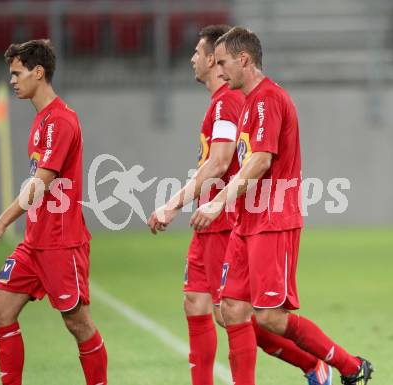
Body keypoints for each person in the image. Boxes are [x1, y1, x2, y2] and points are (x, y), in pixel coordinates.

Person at [148, 25, 332, 385]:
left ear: (220, 62)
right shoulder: (224, 102)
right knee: (200, 305)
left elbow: (220, 162)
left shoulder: (231, 102)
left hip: (225, 219)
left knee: (237, 315)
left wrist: (174, 204)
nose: (195, 60)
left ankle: (313, 363)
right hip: (209, 219)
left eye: (202, 54)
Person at [190, 27, 374, 385]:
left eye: (224, 62)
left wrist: (216, 203)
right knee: (230, 310)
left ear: (244, 60)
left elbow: (259, 162)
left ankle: (350, 366)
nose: (218, 68)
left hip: (272, 220)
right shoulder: (247, 102)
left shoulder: (267, 100)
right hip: (247, 223)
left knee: (269, 317)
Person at [0, 39, 107, 385]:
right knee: (0, 311)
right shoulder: (42, 121)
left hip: (61, 243)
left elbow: (38, 185)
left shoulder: (60, 122)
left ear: (38, 72)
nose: (13, 81)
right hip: (35, 243)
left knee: (78, 324)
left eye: (17, 73)